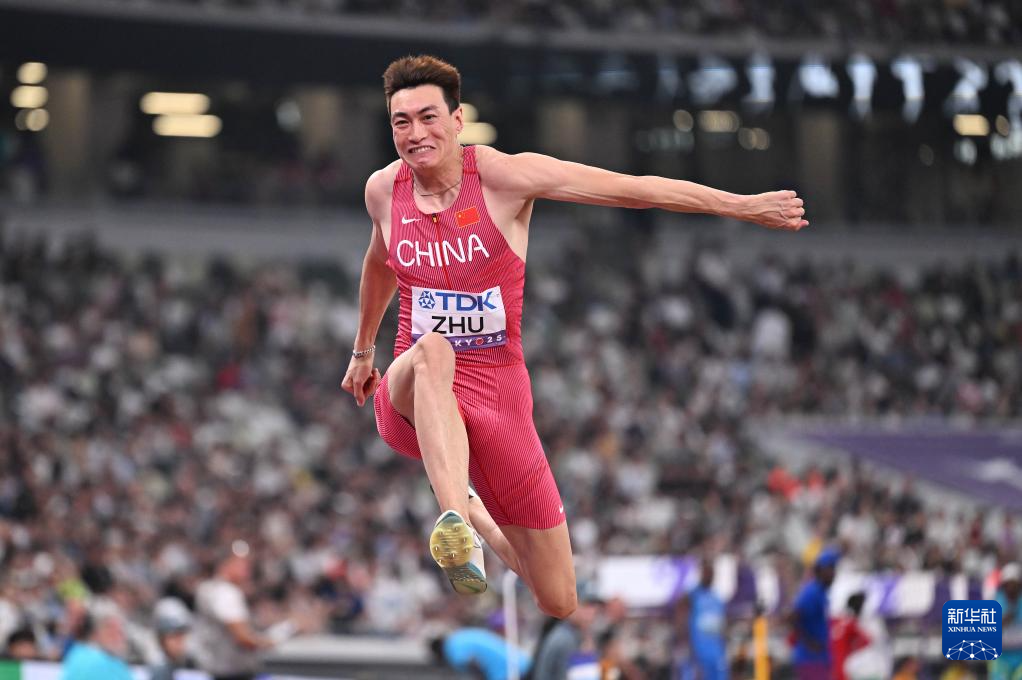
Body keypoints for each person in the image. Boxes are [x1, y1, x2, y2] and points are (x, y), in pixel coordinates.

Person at [341, 54, 808, 614]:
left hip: (497, 398)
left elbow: (632, 189)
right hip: (414, 396)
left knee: (559, 599)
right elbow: (380, 262)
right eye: (401, 122)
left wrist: (742, 206)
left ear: (458, 120)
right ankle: (455, 523)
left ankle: (474, 516)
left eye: (427, 117)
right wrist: (363, 350)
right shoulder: (383, 191)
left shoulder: (503, 178)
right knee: (434, 349)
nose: (415, 134)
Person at [192, 543, 277, 680]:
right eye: (241, 562)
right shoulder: (227, 592)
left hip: (216, 670)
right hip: (232, 673)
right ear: (226, 563)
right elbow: (243, 638)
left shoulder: (207, 587)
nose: (247, 567)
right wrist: (270, 641)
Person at [788, 548, 838, 680]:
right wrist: (809, 642)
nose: (833, 573)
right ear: (820, 570)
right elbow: (792, 616)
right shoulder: (812, 592)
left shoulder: (821, 592)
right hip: (810, 659)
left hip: (820, 658)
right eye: (830, 568)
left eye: (834, 568)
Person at [676, 558, 728, 680]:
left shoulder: (717, 598)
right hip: (696, 650)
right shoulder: (691, 596)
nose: (710, 576)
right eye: (707, 572)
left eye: (712, 573)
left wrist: (724, 643)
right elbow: (680, 619)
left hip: (715, 651)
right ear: (701, 573)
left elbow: (721, 624)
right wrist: (684, 642)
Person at [61, 603, 133, 680]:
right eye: (112, 630)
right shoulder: (101, 662)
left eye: (120, 630)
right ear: (96, 631)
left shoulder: (77, 653)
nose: (119, 636)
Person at [429, 627, 532, 680]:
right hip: (521, 661)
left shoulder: (451, 650)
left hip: (506, 673)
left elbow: (474, 663)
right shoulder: (460, 635)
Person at [149, 597, 193, 680]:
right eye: (174, 636)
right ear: (161, 639)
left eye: (182, 634)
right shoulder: (155, 668)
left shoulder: (192, 663)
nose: (179, 641)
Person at [830, 592, 870, 680]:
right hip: (843, 666)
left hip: (828, 665)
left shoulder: (835, 619)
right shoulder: (851, 623)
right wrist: (853, 649)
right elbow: (867, 641)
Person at [992, 563, 1022, 680]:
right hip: (1002, 657)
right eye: (1008, 584)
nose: (1011, 588)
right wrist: (1002, 621)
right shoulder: (996, 602)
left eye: (1014, 584)